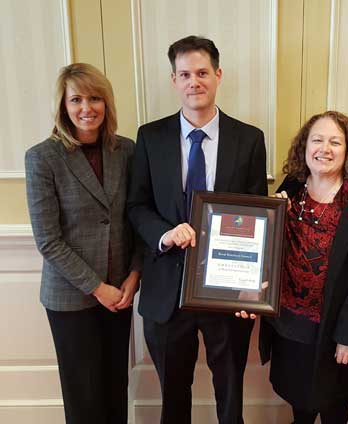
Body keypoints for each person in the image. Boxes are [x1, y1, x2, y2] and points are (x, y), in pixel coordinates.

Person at [127, 35, 267, 424]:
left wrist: (250, 288)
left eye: (202, 72)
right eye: (185, 74)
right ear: (173, 80)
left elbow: (258, 217)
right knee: (173, 396)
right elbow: (135, 206)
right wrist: (164, 233)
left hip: (226, 290)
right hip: (165, 290)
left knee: (230, 393)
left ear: (218, 75)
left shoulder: (249, 138)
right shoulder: (150, 137)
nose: (195, 82)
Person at [24, 63, 142, 424]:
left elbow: (137, 217)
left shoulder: (127, 151)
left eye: (94, 98)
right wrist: (97, 288)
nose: (86, 107)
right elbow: (48, 240)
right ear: (63, 106)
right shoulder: (43, 157)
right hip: (71, 298)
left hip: (120, 293)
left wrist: (135, 273)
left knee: (114, 387)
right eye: (76, 99)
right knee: (84, 395)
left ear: (106, 104)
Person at [258, 111, 348, 424]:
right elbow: (270, 249)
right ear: (305, 146)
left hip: (336, 332)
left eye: (335, 142)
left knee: (334, 409)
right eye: (317, 140)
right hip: (290, 327)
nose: (324, 148)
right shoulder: (291, 188)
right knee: (300, 407)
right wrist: (277, 214)